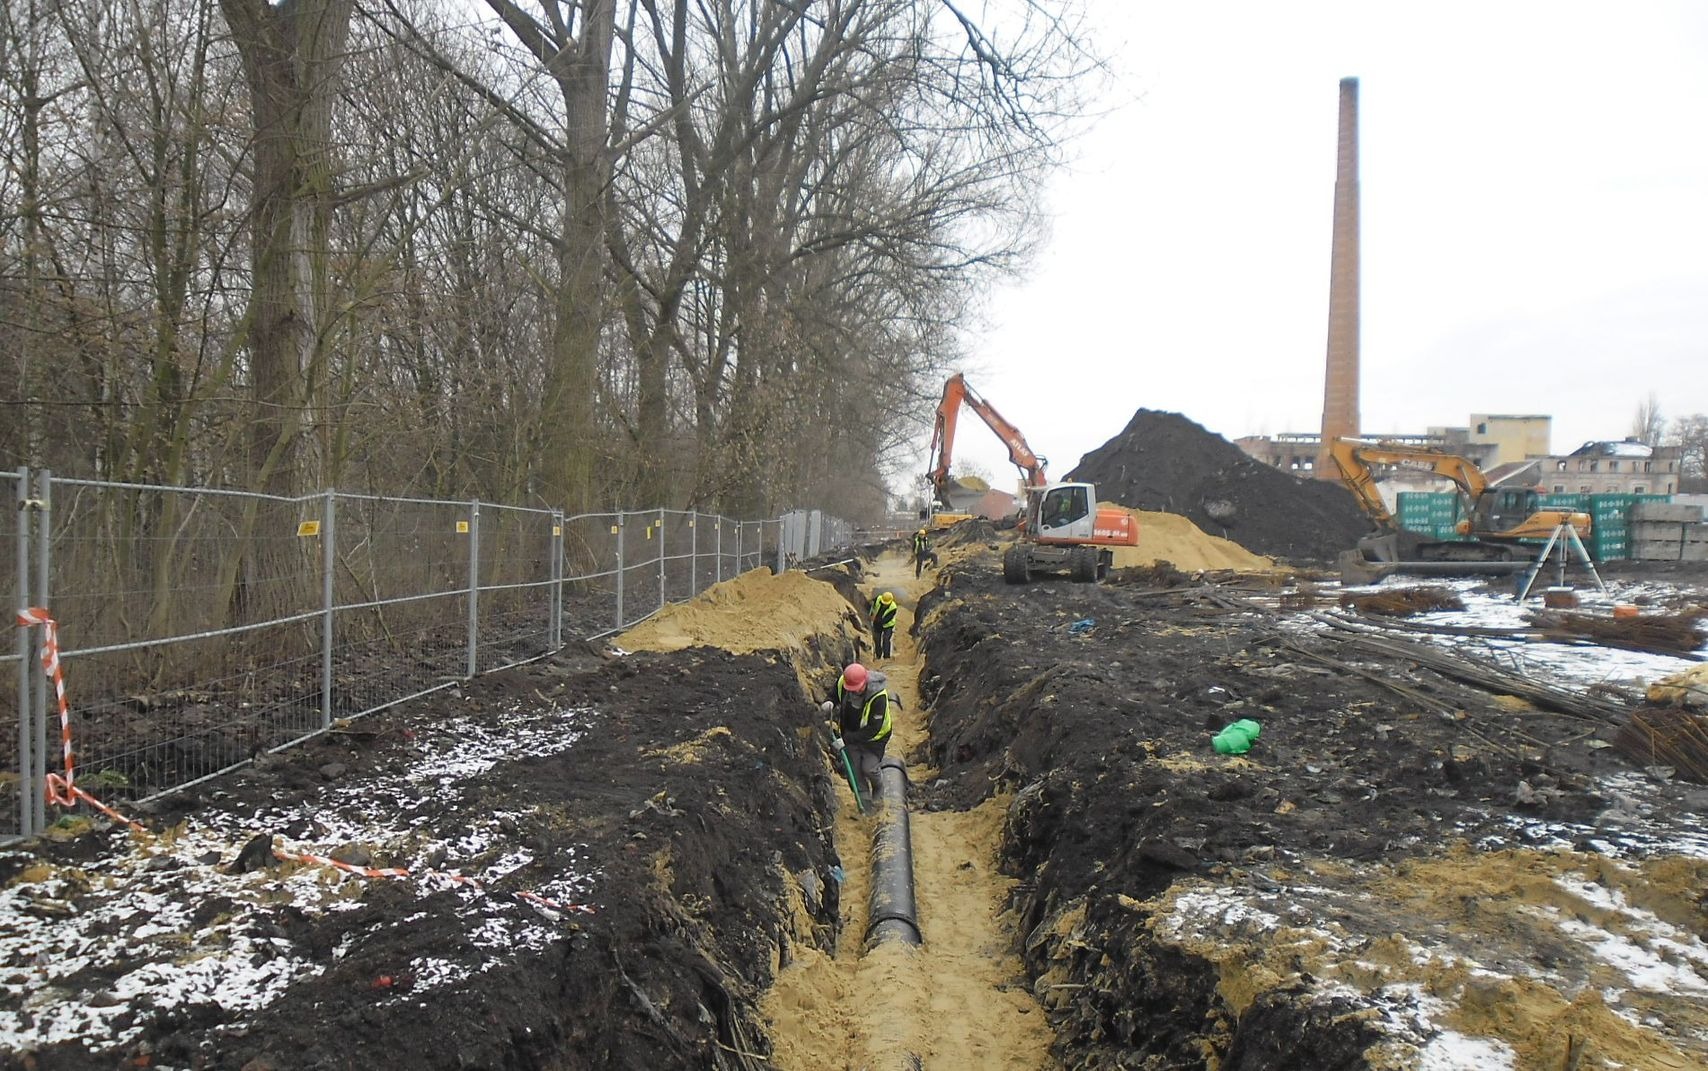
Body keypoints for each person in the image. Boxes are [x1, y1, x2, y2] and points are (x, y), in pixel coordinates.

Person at [822, 662, 892, 800]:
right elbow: (834, 695)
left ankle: (878, 786)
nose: (855, 692)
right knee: (854, 771)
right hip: (851, 732)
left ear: (865, 682)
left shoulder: (879, 696)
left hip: (875, 738)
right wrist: (829, 701)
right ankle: (864, 802)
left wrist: (846, 740)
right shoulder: (844, 681)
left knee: (868, 768)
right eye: (852, 690)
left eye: (858, 689)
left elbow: (873, 729)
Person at [869, 590, 898, 658]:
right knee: (877, 639)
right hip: (877, 623)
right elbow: (872, 605)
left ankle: (886, 657)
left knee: (886, 640)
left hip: (888, 625)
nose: (884, 604)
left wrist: (875, 620)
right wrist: (871, 614)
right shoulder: (878, 599)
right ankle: (878, 655)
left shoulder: (893, 607)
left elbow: (886, 619)